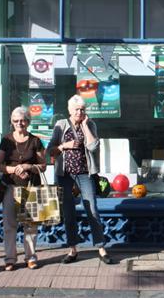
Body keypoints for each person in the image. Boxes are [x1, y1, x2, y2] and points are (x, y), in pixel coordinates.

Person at [47, 95, 114, 264]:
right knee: (69, 212)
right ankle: (72, 250)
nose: (80, 112)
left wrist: (85, 127)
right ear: (70, 110)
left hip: (85, 173)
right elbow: (50, 150)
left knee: (92, 208)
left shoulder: (90, 124)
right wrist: (65, 146)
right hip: (65, 174)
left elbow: (93, 146)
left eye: (82, 109)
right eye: (76, 109)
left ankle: (101, 248)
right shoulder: (61, 125)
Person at [0, 106, 46, 271]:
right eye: (16, 121)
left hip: (31, 187)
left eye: (23, 120)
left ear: (28, 122)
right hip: (10, 186)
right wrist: (14, 169)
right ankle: (10, 259)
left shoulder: (35, 141)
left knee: (30, 224)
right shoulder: (7, 140)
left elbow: (43, 166)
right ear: (12, 122)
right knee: (9, 224)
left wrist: (28, 167)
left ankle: (30, 257)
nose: (19, 123)